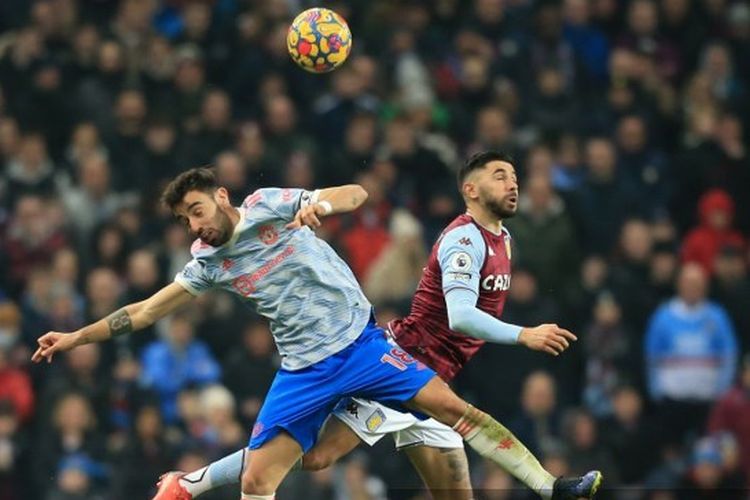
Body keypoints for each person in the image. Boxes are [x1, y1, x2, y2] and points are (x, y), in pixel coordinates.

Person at [33, 163, 600, 500]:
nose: (196, 224)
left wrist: (319, 205)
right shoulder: (208, 262)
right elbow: (147, 311)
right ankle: (193, 482)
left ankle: (551, 488)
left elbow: (357, 195)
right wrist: (75, 337)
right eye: (185, 219)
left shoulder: (267, 207)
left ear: (223, 197)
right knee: (261, 480)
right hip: (303, 370)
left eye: (198, 209)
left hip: (363, 348)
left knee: (456, 413)